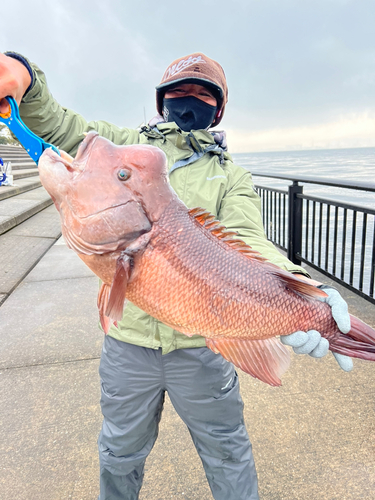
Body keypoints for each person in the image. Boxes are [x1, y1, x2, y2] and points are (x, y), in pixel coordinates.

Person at [0, 51, 353, 500]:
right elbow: (61, 126)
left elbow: (247, 240)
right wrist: (27, 80)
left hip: (203, 350)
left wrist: (301, 290)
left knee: (227, 451)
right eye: (178, 92)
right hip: (130, 345)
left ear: (218, 109)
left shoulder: (231, 176)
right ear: (161, 101)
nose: (189, 101)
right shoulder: (125, 145)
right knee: (118, 451)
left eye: (202, 94)